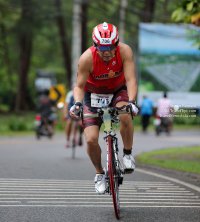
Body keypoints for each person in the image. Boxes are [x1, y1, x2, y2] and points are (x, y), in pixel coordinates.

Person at [70, 22, 138, 194]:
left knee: (125, 114)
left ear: (116, 44)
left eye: (110, 47)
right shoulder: (87, 58)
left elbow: (130, 80)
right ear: (95, 45)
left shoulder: (124, 51)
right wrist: (77, 102)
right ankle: (99, 174)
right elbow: (78, 86)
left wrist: (133, 102)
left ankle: (128, 154)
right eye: (102, 47)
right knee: (91, 140)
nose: (107, 51)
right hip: (92, 95)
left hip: (117, 91)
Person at [63, 83, 83, 147]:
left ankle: (80, 136)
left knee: (81, 124)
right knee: (69, 123)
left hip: (80, 112)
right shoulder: (69, 94)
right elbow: (66, 105)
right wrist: (65, 114)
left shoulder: (82, 94)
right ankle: (67, 140)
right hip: (71, 111)